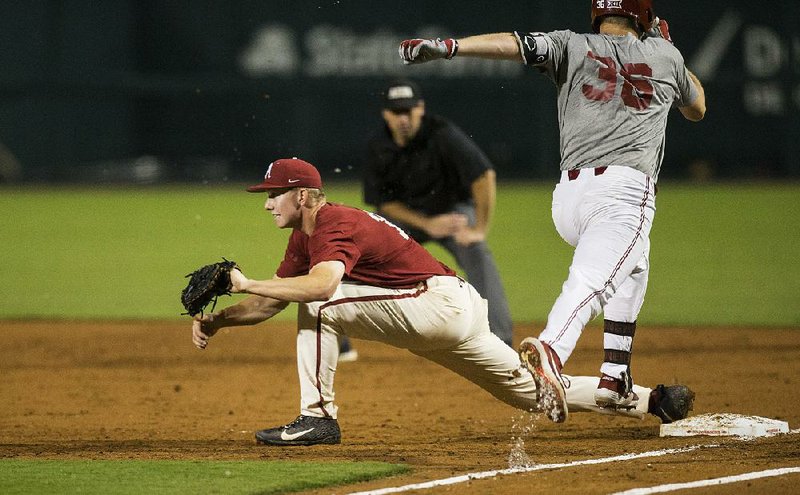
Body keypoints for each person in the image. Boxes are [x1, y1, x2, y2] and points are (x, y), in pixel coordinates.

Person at [190, 157, 695, 445]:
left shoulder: (335, 222)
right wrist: (219, 322)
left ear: (302, 194)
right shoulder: (305, 237)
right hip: (446, 311)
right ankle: (651, 401)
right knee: (531, 393)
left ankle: (319, 417)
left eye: (274, 193)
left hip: (437, 306)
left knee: (319, 306)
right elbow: (271, 302)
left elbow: (320, 290)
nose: (266, 202)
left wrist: (244, 282)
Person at [399, 0, 705, 423]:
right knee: (592, 281)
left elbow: (513, 45)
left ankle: (614, 380)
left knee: (634, 263)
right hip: (623, 195)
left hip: (568, 200)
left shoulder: (571, 44)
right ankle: (551, 350)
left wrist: (451, 47)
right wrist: (669, 48)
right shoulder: (666, 56)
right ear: (645, 17)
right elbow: (697, 107)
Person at [361, 78, 514, 347]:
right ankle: (338, 339)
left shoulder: (442, 133)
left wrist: (479, 229)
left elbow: (484, 175)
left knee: (476, 252)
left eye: (408, 110)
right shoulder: (377, 145)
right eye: (396, 112)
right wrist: (428, 223)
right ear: (386, 114)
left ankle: (500, 341)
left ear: (420, 108)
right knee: (361, 253)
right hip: (408, 218)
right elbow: (383, 203)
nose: (403, 118)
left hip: (453, 214)